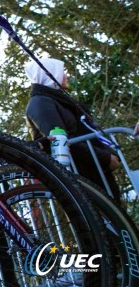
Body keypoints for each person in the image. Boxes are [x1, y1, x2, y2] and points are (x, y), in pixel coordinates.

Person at [24, 58, 121, 199]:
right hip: (80, 178)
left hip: (94, 173)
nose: (66, 76)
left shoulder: (61, 101)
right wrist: (105, 158)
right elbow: (61, 141)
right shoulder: (40, 103)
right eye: (62, 72)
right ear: (50, 74)